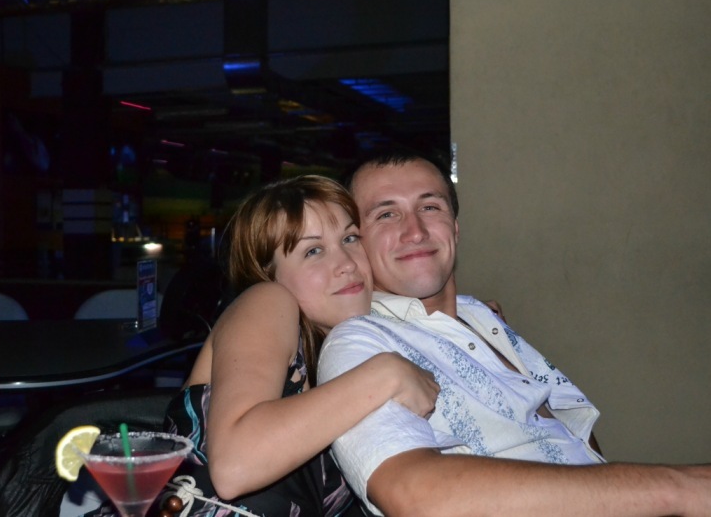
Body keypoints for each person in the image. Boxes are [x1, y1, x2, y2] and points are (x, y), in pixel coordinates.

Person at [317, 152, 711, 516]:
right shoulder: (361, 342)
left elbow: (575, 440)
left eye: (430, 207)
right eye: (386, 215)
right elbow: (414, 495)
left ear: (455, 227)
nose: (415, 231)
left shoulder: (480, 317)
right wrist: (678, 488)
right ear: (356, 242)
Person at [64, 175, 438, 517]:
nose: (346, 264)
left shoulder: (347, 348)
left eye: (350, 238)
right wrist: (385, 374)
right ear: (267, 273)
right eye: (312, 251)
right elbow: (235, 467)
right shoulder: (268, 301)